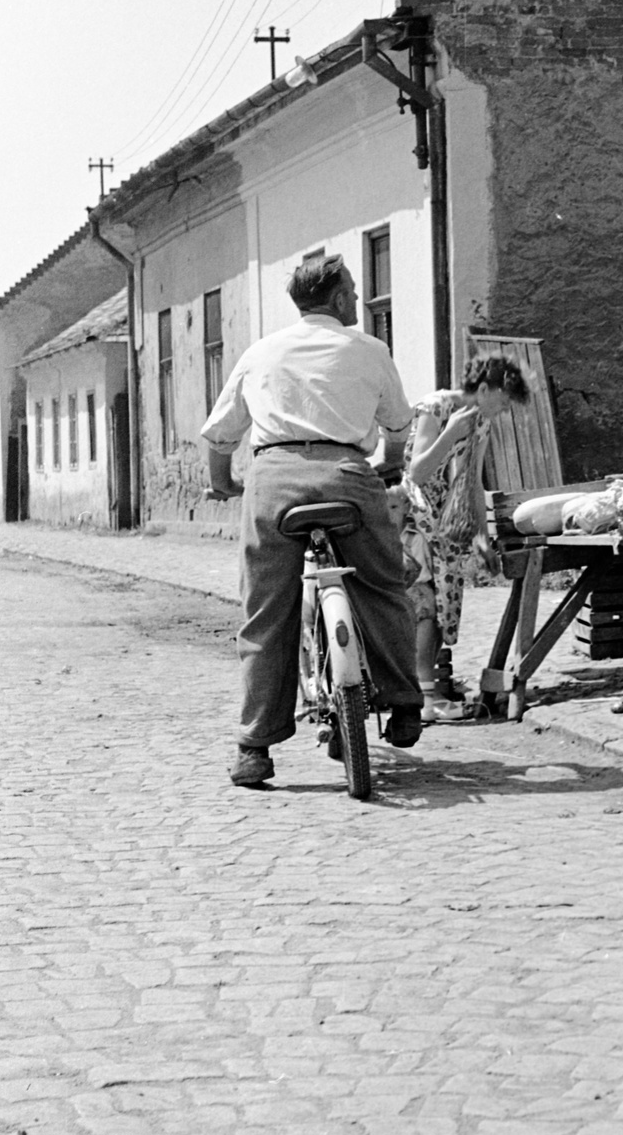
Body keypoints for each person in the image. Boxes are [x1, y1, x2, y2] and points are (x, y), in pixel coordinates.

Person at [202, 253, 425, 786]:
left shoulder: (261, 352)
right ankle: (405, 705)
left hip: (273, 482)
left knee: (265, 611)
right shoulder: (370, 350)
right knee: (383, 586)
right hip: (349, 478)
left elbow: (219, 435)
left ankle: (254, 747)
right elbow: (398, 425)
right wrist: (389, 464)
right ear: (342, 298)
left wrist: (223, 483)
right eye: (352, 290)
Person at [404, 355, 530, 720]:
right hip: (419, 517)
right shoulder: (437, 406)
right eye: (504, 401)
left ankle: (428, 696)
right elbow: (417, 471)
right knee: (426, 606)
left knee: (446, 611)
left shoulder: (482, 424)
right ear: (485, 389)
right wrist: (450, 434)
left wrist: (482, 536)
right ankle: (426, 700)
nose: (505, 410)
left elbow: (473, 482)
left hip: (450, 525)